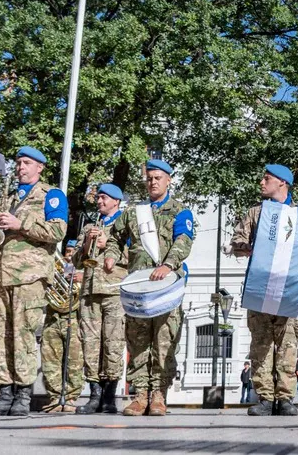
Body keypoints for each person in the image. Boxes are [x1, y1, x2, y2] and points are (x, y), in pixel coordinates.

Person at [0, 146, 67, 416]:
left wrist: (20, 223)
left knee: (22, 336)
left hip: (29, 277)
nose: (20, 167)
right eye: (18, 163)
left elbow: (58, 231)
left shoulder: (51, 195)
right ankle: (4, 393)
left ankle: (23, 395)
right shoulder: (8, 196)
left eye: (27, 163)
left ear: (40, 167)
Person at [233, 164, 298, 417]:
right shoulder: (256, 213)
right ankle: (264, 398)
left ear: (282, 182)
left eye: (267, 179)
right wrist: (249, 247)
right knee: (261, 344)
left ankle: (285, 398)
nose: (261, 183)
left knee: (288, 344)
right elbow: (237, 241)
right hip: (261, 288)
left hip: (291, 290)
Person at [114, 159, 193, 417]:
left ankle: (159, 395)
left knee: (164, 340)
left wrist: (168, 265)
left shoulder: (180, 211)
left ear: (169, 180)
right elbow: (115, 237)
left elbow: (183, 240)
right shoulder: (133, 212)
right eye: (149, 178)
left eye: (158, 177)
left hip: (165, 288)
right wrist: (111, 256)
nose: (152, 182)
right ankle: (140, 395)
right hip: (138, 288)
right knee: (138, 341)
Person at [75, 183, 127, 415]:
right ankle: (94, 394)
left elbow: (139, 254)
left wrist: (109, 245)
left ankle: (109, 396)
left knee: (113, 343)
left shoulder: (124, 223)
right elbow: (76, 260)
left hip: (114, 290)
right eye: (98, 198)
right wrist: (88, 243)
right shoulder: (89, 226)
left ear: (116, 201)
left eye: (104, 198)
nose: (99, 201)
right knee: (90, 343)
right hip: (89, 291)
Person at [39, 240, 84, 412]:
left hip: (74, 318)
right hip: (53, 317)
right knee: (50, 359)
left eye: (73, 252)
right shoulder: (56, 268)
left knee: (74, 360)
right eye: (68, 251)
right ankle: (55, 398)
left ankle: (70, 398)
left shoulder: (82, 269)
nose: (69, 255)